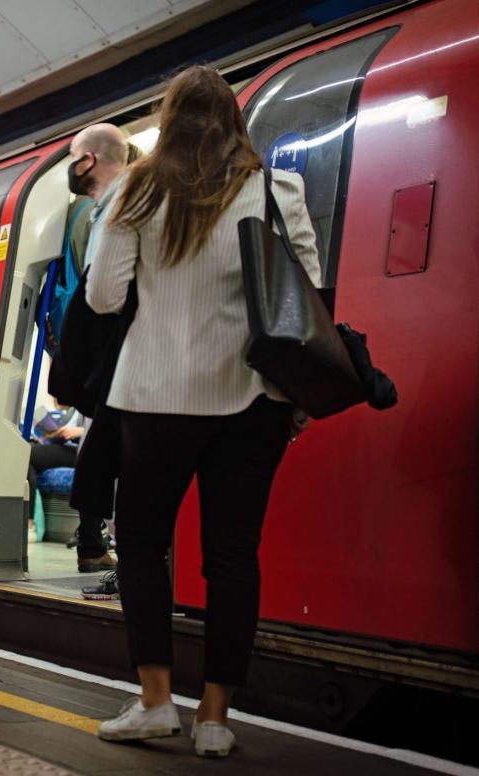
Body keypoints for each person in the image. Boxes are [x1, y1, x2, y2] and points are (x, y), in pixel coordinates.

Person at [87, 66, 318, 757]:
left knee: (143, 545)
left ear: (172, 119)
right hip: (254, 399)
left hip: (157, 396)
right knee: (233, 556)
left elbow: (102, 295)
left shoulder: (138, 187)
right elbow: (303, 295)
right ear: (234, 123)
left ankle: (156, 701)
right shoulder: (277, 190)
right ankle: (216, 719)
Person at [47, 122, 132, 572]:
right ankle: (99, 549)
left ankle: (108, 553)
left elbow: (103, 295)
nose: (71, 168)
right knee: (105, 458)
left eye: (73, 158)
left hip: (119, 359)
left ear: (89, 160)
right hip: (108, 360)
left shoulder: (121, 207)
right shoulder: (96, 212)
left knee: (114, 461)